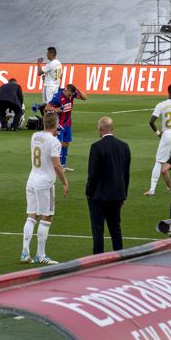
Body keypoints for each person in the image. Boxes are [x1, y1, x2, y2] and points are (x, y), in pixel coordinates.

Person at [23, 111, 68, 264]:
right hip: (45, 182)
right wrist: (64, 182)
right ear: (56, 125)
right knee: (47, 216)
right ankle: (40, 255)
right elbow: (57, 165)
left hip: (32, 179)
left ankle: (25, 252)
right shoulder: (54, 142)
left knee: (31, 215)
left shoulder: (34, 136)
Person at [85, 116, 130, 254]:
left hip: (98, 196)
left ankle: (98, 258)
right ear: (112, 128)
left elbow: (93, 173)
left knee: (98, 230)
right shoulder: (124, 146)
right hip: (117, 194)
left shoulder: (96, 147)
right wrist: (124, 194)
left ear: (100, 129)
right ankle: (120, 255)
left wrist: (89, 192)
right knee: (115, 228)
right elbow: (126, 174)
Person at [47, 84, 88, 170]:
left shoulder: (72, 94)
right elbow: (47, 107)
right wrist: (56, 109)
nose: (71, 96)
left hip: (68, 123)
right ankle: (56, 165)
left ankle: (62, 165)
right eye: (70, 94)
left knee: (66, 143)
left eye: (72, 94)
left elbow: (85, 98)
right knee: (59, 144)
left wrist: (78, 90)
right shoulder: (57, 96)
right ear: (67, 90)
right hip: (59, 123)